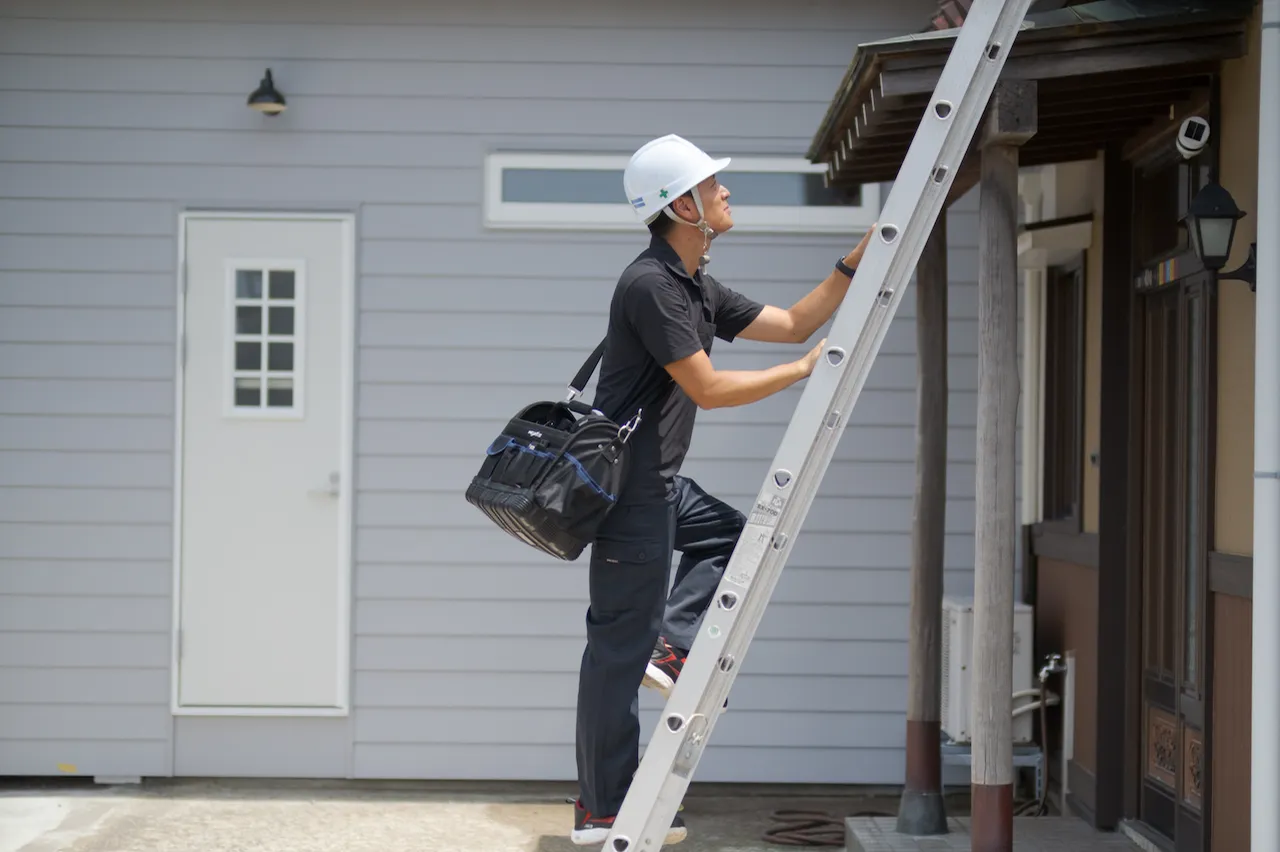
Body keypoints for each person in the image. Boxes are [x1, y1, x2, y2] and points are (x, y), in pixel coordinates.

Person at [571, 134, 875, 846]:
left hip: (660, 488)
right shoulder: (650, 285)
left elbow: (794, 323)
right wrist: (803, 372)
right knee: (615, 653)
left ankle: (672, 647)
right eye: (713, 186)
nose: (726, 193)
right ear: (683, 207)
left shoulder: (694, 286)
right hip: (630, 497)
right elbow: (707, 388)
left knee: (735, 536)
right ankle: (603, 807)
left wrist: (855, 261)